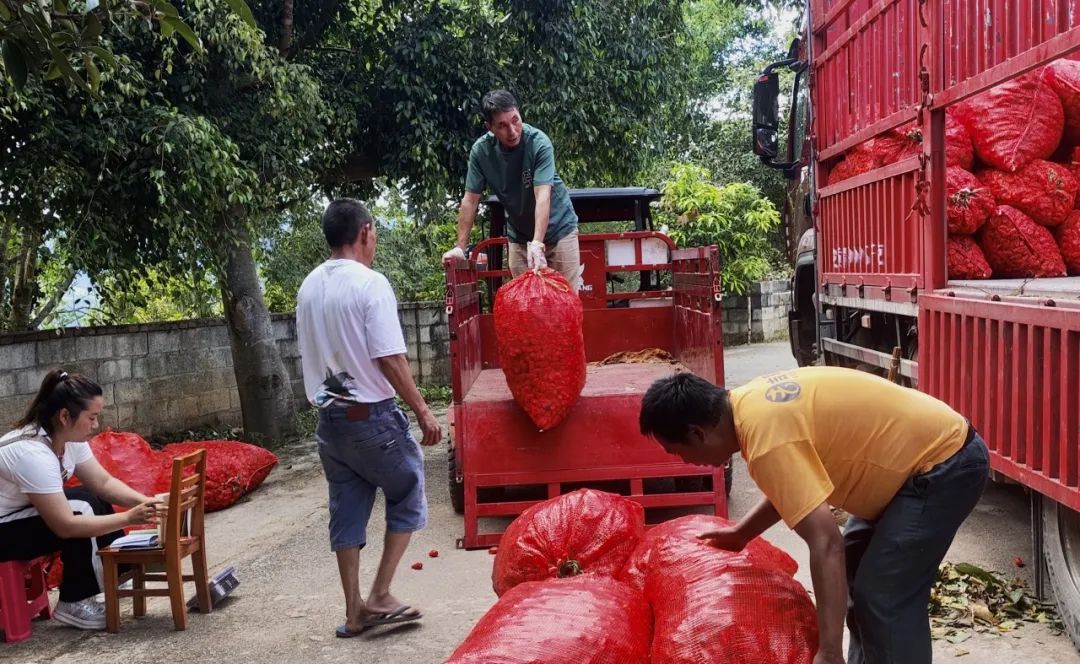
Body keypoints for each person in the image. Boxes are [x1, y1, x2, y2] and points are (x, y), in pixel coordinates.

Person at [638, 366, 990, 664]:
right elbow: (793, 487)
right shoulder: (747, 406)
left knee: (883, 593)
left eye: (678, 451)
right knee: (854, 566)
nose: (685, 463)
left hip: (943, 465)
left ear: (697, 433)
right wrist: (742, 534)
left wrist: (829, 650)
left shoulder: (765, 439)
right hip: (905, 471)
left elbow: (826, 544)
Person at [296, 198, 443, 638]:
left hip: (329, 423)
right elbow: (390, 358)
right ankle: (380, 593)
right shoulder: (370, 284)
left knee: (348, 510)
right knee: (410, 486)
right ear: (365, 232)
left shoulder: (309, 287)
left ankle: (354, 611)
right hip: (370, 417)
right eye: (374, 233)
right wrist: (422, 410)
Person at [0, 369, 161, 631]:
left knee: (90, 497)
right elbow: (64, 526)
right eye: (92, 417)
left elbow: (104, 484)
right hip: (3, 529)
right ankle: (74, 601)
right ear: (65, 416)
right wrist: (129, 517)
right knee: (79, 509)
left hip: (16, 516)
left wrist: (149, 502)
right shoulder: (32, 453)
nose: (96, 425)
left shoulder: (66, 437)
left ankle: (115, 572)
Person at [442, 89, 581, 288]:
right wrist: (460, 248)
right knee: (524, 307)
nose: (513, 131)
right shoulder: (481, 152)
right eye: (502, 125)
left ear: (520, 113)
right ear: (489, 128)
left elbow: (542, 195)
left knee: (564, 304)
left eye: (515, 120)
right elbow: (470, 200)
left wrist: (537, 243)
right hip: (519, 237)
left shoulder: (539, 143)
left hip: (560, 231)